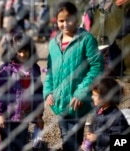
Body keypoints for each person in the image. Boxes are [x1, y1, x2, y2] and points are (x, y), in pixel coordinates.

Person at [43, 1, 104, 151]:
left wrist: (81, 92)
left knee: (74, 139)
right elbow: (50, 70)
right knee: (65, 137)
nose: (65, 24)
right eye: (61, 21)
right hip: (59, 103)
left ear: (76, 19)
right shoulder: (53, 44)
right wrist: (48, 92)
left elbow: (97, 66)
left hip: (78, 103)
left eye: (69, 19)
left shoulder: (86, 40)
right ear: (56, 21)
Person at [0, 33, 45, 151]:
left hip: (24, 115)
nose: (22, 54)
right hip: (8, 115)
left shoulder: (34, 69)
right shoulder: (6, 69)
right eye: (19, 51)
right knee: (8, 145)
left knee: (21, 143)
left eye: (25, 51)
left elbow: (38, 93)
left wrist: (38, 115)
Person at [81, 77, 130, 151]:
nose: (92, 97)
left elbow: (121, 141)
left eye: (94, 95)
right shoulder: (99, 110)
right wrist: (89, 138)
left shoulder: (116, 117)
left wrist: (97, 137)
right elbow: (94, 125)